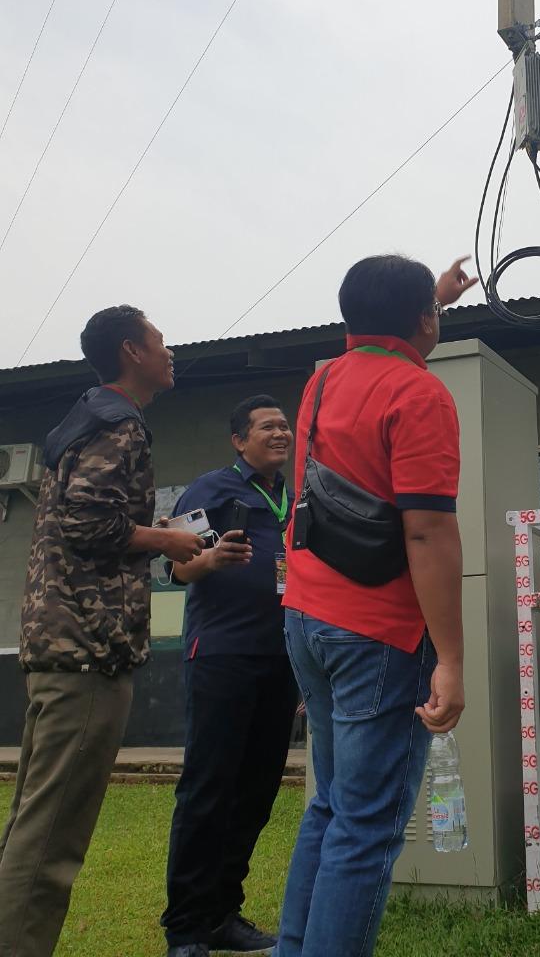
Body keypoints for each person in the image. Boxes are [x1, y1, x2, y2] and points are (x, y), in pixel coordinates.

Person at [276, 255, 475, 957]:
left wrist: (431, 301)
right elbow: (425, 528)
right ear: (425, 321)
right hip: (379, 635)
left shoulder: (324, 380)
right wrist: (449, 658)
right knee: (365, 828)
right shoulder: (420, 396)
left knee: (331, 807)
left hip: (306, 617)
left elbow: (381, 341)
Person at [0, 305, 204, 957]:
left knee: (32, 824)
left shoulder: (82, 419)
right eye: (160, 341)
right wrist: (171, 538)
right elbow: (89, 524)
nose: (170, 351)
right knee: (50, 840)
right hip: (87, 649)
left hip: (54, 643)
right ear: (131, 351)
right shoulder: (120, 425)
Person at [161, 396, 300, 957]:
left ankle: (222, 913)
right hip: (220, 654)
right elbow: (177, 565)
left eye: (285, 425)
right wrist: (209, 562)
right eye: (268, 426)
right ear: (239, 440)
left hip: (283, 657)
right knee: (209, 788)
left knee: (257, 790)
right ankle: (187, 929)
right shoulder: (212, 490)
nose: (281, 433)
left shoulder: (297, 495)